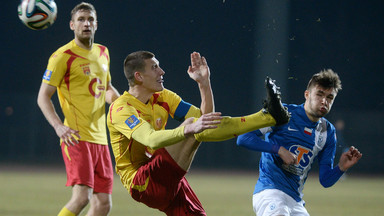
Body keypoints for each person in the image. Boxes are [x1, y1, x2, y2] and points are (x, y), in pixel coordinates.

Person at [107, 50, 290, 216]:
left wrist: (204, 84)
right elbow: (150, 139)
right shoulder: (122, 109)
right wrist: (187, 129)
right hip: (142, 183)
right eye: (154, 68)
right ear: (138, 76)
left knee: (199, 125)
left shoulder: (163, 97)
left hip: (167, 173)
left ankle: (270, 116)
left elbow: (206, 122)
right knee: (193, 125)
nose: (161, 71)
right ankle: (268, 117)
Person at [236, 69, 363, 216]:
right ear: (307, 94)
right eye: (319, 94)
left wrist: (341, 167)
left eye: (330, 97)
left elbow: (325, 180)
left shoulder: (328, 131)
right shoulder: (282, 113)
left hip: (295, 201)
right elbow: (243, 138)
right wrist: (279, 150)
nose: (324, 101)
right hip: (270, 192)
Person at [37, 2, 120, 216]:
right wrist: (58, 126)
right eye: (81, 20)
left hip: (100, 139)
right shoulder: (62, 56)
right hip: (76, 136)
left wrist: (120, 103)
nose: (86, 24)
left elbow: (107, 88)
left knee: (103, 204)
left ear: (96, 25)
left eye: (90, 19)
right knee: (82, 197)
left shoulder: (103, 52)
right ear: (72, 25)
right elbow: (43, 97)